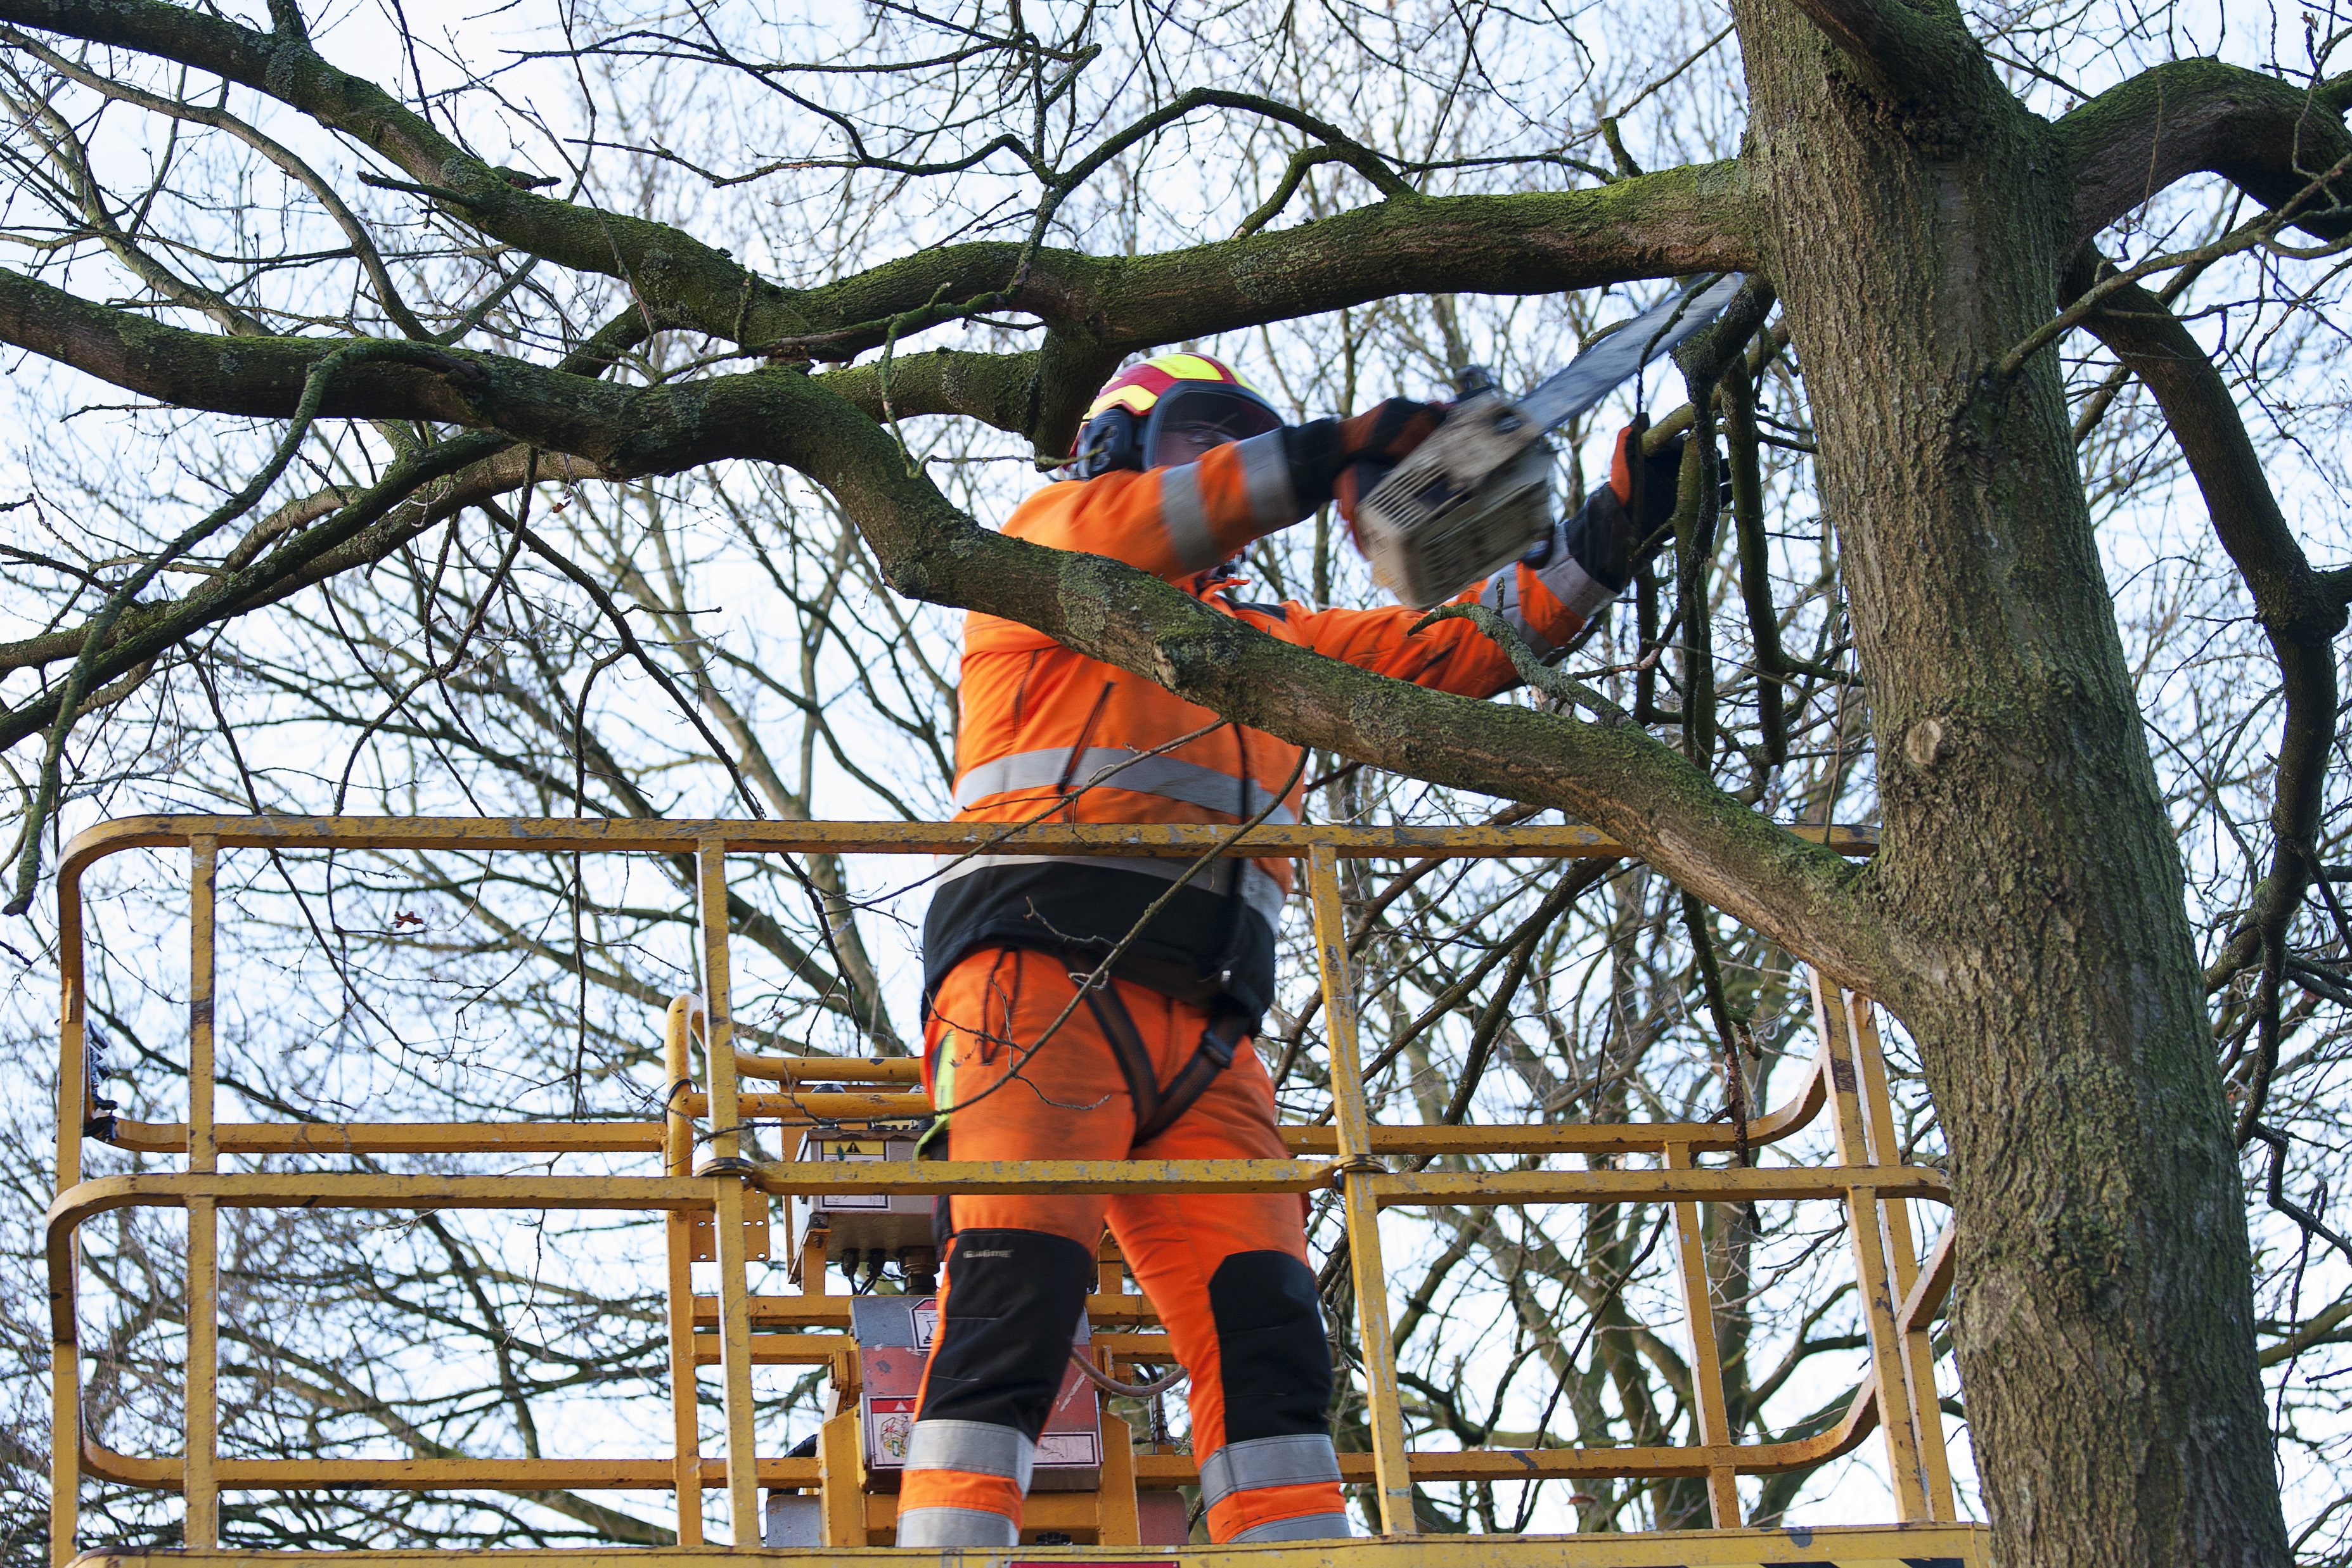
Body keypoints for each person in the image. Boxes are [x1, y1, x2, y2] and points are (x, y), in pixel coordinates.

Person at [900, 352, 1681, 1548]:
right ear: (1116, 446)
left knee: (1271, 1341)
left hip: (1210, 1041)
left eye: (1235, 444)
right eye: (1196, 439)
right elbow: (1159, 517)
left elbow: (1441, 653)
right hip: (1040, 997)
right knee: (1013, 1307)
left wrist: (1601, 542)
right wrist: (1331, 452)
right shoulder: (1047, 547)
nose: (1219, 471)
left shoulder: (1262, 639)